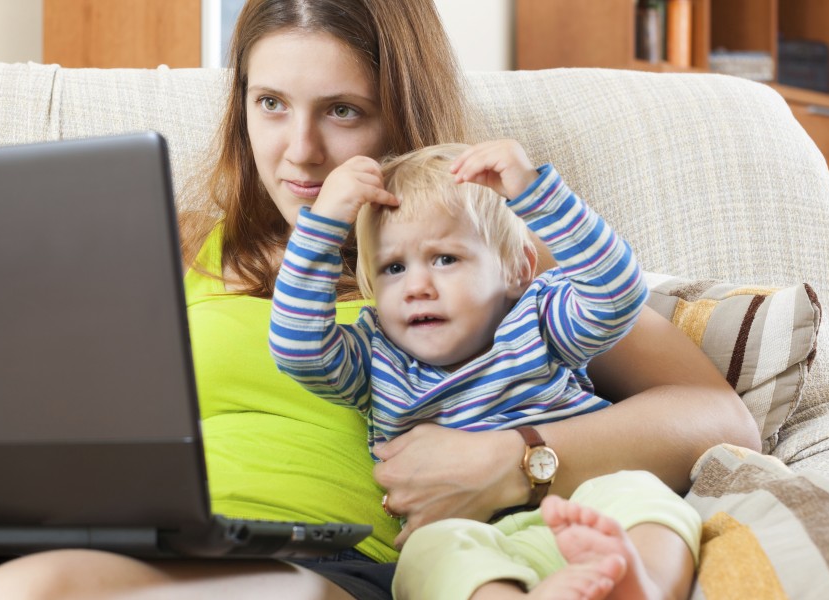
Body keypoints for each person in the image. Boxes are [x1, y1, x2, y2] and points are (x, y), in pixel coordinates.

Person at [0, 1, 758, 599]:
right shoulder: (164, 239)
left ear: (405, 109)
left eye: (342, 111)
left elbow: (717, 414)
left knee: (35, 595)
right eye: (271, 104)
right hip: (86, 534)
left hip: (295, 561)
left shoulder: (472, 268)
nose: (298, 151)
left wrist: (522, 455)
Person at [269, 141, 700, 599]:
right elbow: (299, 351)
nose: (417, 286)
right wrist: (324, 225)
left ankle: (645, 585)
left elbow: (617, 295)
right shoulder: (377, 356)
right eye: (394, 267)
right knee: (429, 553)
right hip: (466, 534)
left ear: (516, 270)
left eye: (445, 259)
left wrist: (534, 192)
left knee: (640, 492)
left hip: (583, 505)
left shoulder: (538, 320)